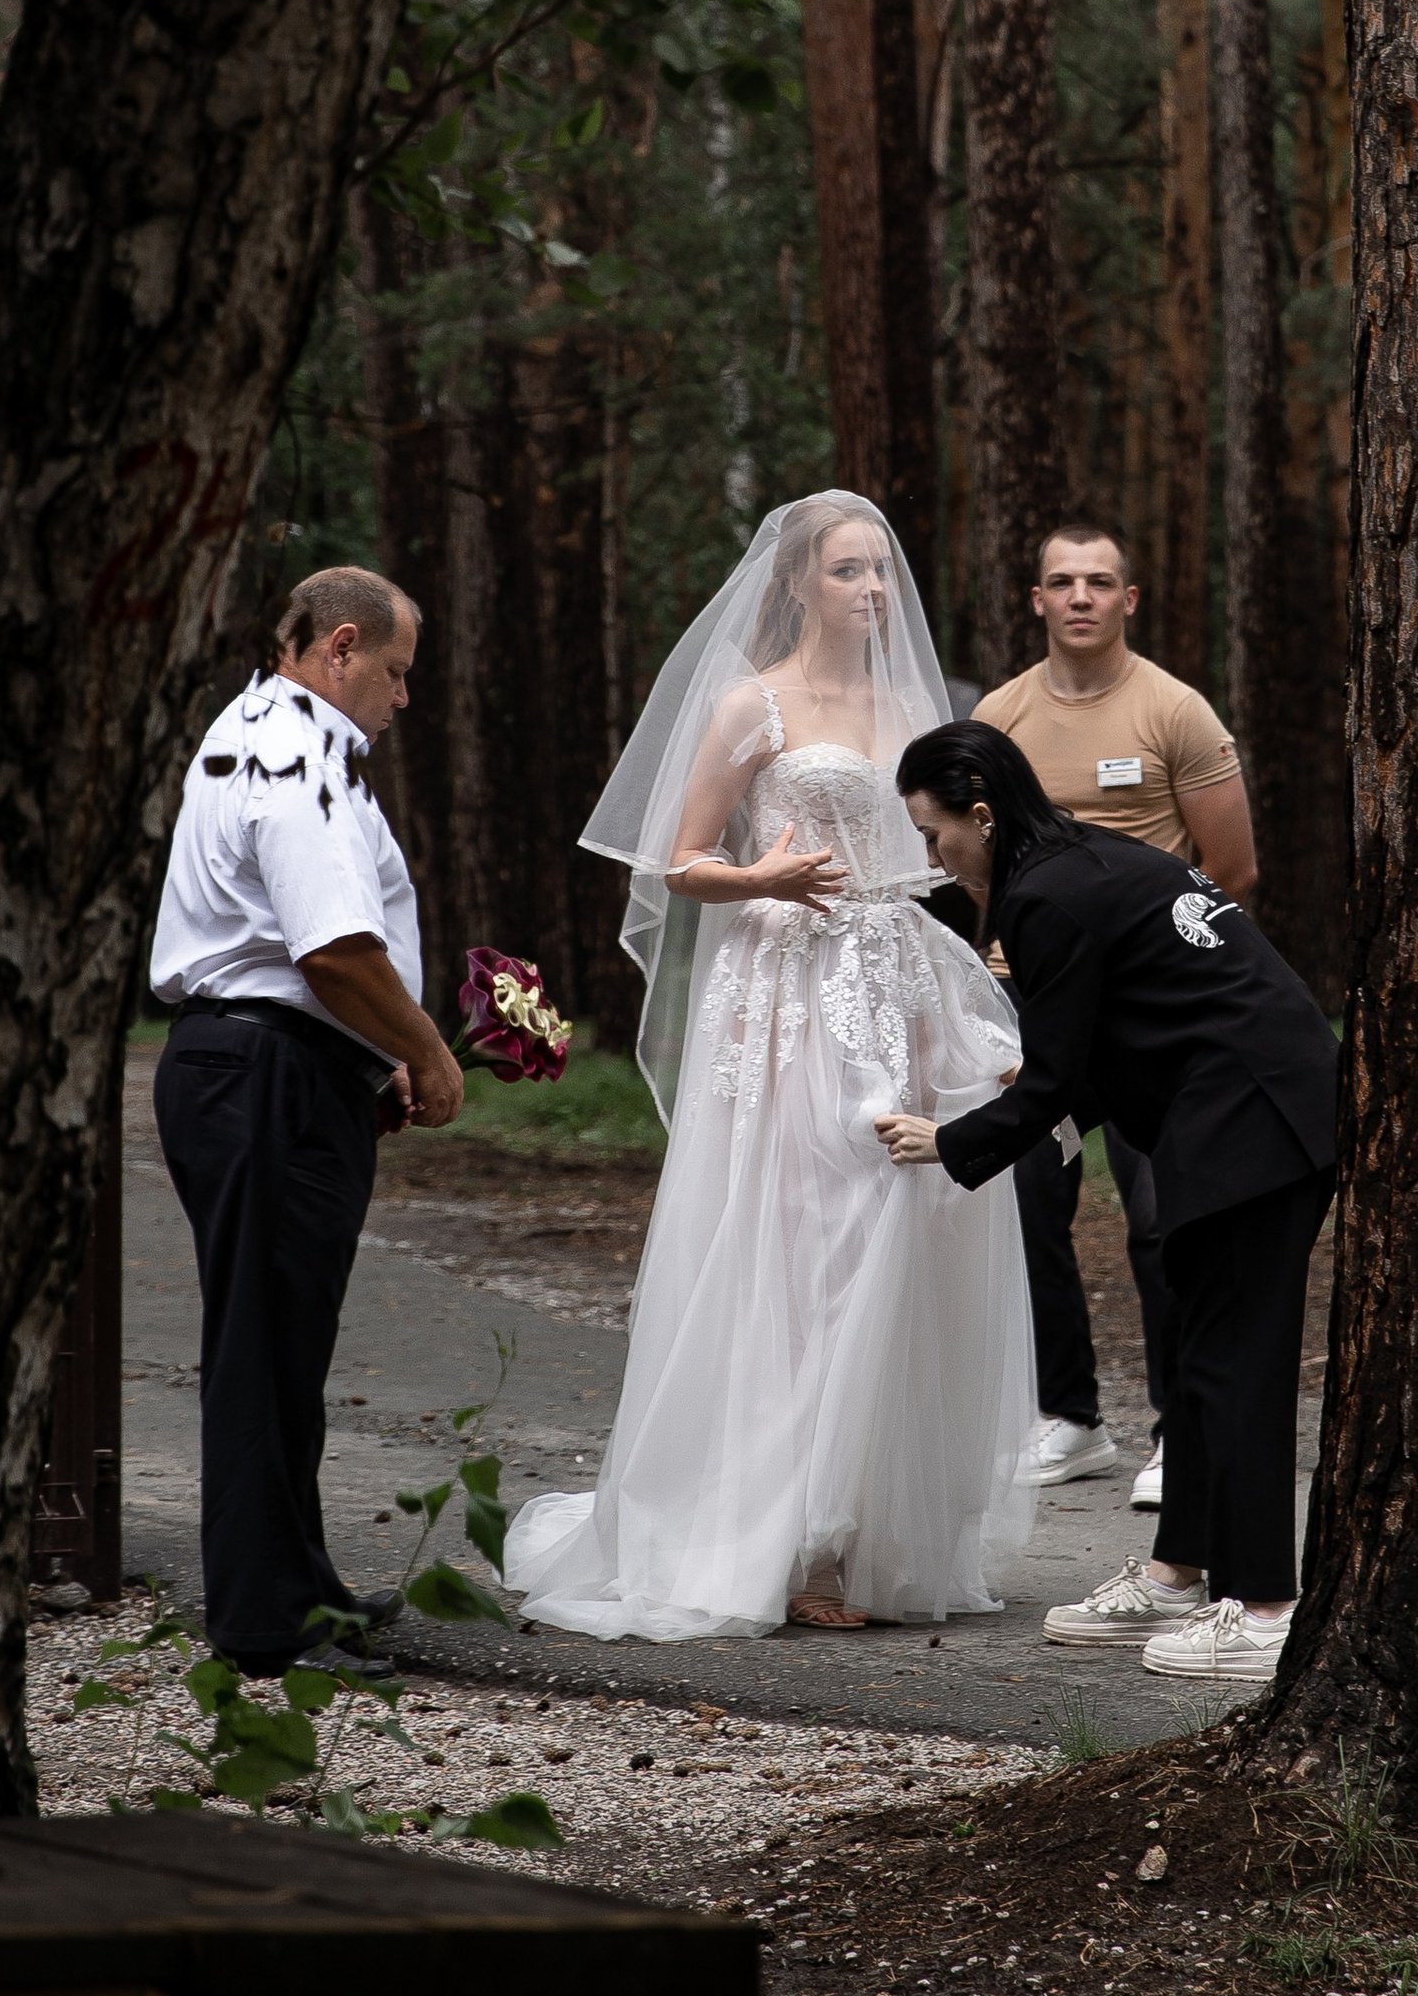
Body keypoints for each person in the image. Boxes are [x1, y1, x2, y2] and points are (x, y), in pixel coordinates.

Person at [503, 494, 1037, 1642]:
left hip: (892, 987)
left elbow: (932, 860)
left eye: (882, 572)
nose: (873, 593)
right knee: (797, 1243)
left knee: (898, 1224)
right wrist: (767, 882)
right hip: (786, 996)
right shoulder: (754, 704)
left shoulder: (909, 707)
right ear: (798, 583)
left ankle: (854, 1535)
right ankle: (774, 1526)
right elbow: (681, 859)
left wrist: (970, 972)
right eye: (848, 572)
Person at [878, 721, 1336, 1685]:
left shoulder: (1044, 898)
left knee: (1233, 1362)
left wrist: (949, 1141)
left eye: (934, 834)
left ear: (982, 814)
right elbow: (1093, 1045)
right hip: (1240, 1103)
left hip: (1258, 1110)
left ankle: (1264, 1606)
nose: (932, 856)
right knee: (1192, 1352)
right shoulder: (1080, 859)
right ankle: (1179, 1573)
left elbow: (1049, 1089)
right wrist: (1028, 1085)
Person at [150, 565, 465, 1677]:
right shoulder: (297, 756)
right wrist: (421, 1046)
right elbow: (329, 948)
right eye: (396, 671)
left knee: (285, 1347)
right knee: (261, 1351)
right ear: (340, 647)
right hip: (263, 1072)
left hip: (267, 1068)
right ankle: (263, 1623)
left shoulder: (263, 728)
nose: (403, 695)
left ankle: (300, 1584)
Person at [971, 519, 1257, 1512]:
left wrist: (1171, 973)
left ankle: (1179, 1433)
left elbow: (1232, 867)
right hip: (1033, 1002)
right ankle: (1070, 1418)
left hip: (1146, 1010)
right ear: (1038, 600)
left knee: (1157, 1214)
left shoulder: (1173, 711)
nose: (1082, 596)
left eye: (1101, 580)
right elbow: (972, 864)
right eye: (1063, 581)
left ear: (1129, 599)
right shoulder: (1001, 718)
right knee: (1031, 1203)